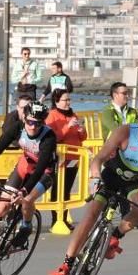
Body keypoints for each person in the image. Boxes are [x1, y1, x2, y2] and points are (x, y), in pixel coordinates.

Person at [48, 101, 138, 275]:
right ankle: (66, 264)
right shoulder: (125, 132)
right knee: (90, 215)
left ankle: (115, 236)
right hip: (111, 176)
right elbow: (98, 159)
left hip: (135, 182)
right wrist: (95, 178)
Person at [0, 101, 57, 251]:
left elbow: (40, 169)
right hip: (25, 165)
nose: (33, 126)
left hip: (45, 172)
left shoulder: (49, 137)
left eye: (38, 123)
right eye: (30, 121)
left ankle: (26, 227)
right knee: (1, 207)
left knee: (27, 200)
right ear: (24, 118)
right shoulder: (18, 128)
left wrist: (24, 191)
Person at [46, 88, 87, 229]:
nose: (68, 102)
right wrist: (67, 127)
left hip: (74, 156)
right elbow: (53, 137)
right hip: (60, 157)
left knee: (67, 189)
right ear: (57, 101)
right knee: (58, 189)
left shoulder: (73, 114)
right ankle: (55, 220)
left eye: (69, 99)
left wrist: (82, 130)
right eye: (65, 100)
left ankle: (63, 219)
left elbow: (82, 137)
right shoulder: (52, 115)